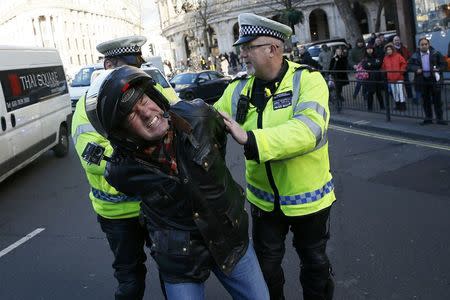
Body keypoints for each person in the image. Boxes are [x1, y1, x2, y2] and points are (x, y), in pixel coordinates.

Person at [85, 65, 269, 300]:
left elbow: (218, 147)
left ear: (156, 97)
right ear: (122, 134)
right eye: (130, 113)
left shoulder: (199, 117)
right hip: (181, 260)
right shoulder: (121, 171)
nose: (146, 112)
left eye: (143, 99)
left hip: (231, 239)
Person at [214, 13, 336, 300]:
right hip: (264, 204)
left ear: (273, 48)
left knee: (315, 267)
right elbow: (208, 118)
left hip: (310, 200)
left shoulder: (308, 81)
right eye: (241, 48)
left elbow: (309, 130)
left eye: (249, 47)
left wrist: (252, 139)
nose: (242, 54)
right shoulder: (238, 88)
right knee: (267, 270)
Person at [71, 35, 171, 300]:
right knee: (129, 281)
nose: (132, 71)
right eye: (125, 66)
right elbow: (92, 157)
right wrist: (145, 149)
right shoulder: (86, 106)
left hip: (156, 205)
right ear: (107, 65)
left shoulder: (155, 90)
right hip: (117, 213)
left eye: (135, 65)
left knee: (173, 272)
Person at [408, 37, 448, 125]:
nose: (424, 46)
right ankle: (428, 118)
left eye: (426, 44)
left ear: (428, 45)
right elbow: (409, 66)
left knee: (437, 101)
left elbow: (444, 64)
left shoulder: (436, 53)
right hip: (422, 80)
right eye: (422, 44)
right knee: (426, 101)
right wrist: (416, 69)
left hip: (434, 80)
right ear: (419, 46)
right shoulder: (415, 55)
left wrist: (438, 69)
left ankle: (440, 119)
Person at [382, 43, 407, 111]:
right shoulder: (385, 58)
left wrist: (401, 72)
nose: (389, 51)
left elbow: (404, 64)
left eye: (390, 49)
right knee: (394, 92)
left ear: (393, 49)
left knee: (400, 92)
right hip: (391, 78)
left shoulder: (398, 56)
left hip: (399, 77)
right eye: (387, 50)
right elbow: (383, 67)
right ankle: (397, 105)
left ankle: (403, 106)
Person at [362, 44, 385, 111]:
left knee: (379, 93)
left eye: (371, 49)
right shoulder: (365, 58)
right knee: (370, 93)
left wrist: (370, 64)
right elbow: (365, 66)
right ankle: (370, 107)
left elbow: (379, 64)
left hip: (377, 77)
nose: (369, 50)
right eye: (368, 49)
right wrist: (373, 64)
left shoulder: (376, 56)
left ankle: (382, 106)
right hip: (369, 78)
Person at [393, 36, 413, 100]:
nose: (397, 41)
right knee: (398, 85)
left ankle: (410, 97)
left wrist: (407, 62)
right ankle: (400, 99)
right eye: (395, 40)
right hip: (397, 70)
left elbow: (409, 56)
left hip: (404, 68)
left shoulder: (404, 48)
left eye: (398, 40)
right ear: (393, 42)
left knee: (407, 83)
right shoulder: (392, 49)